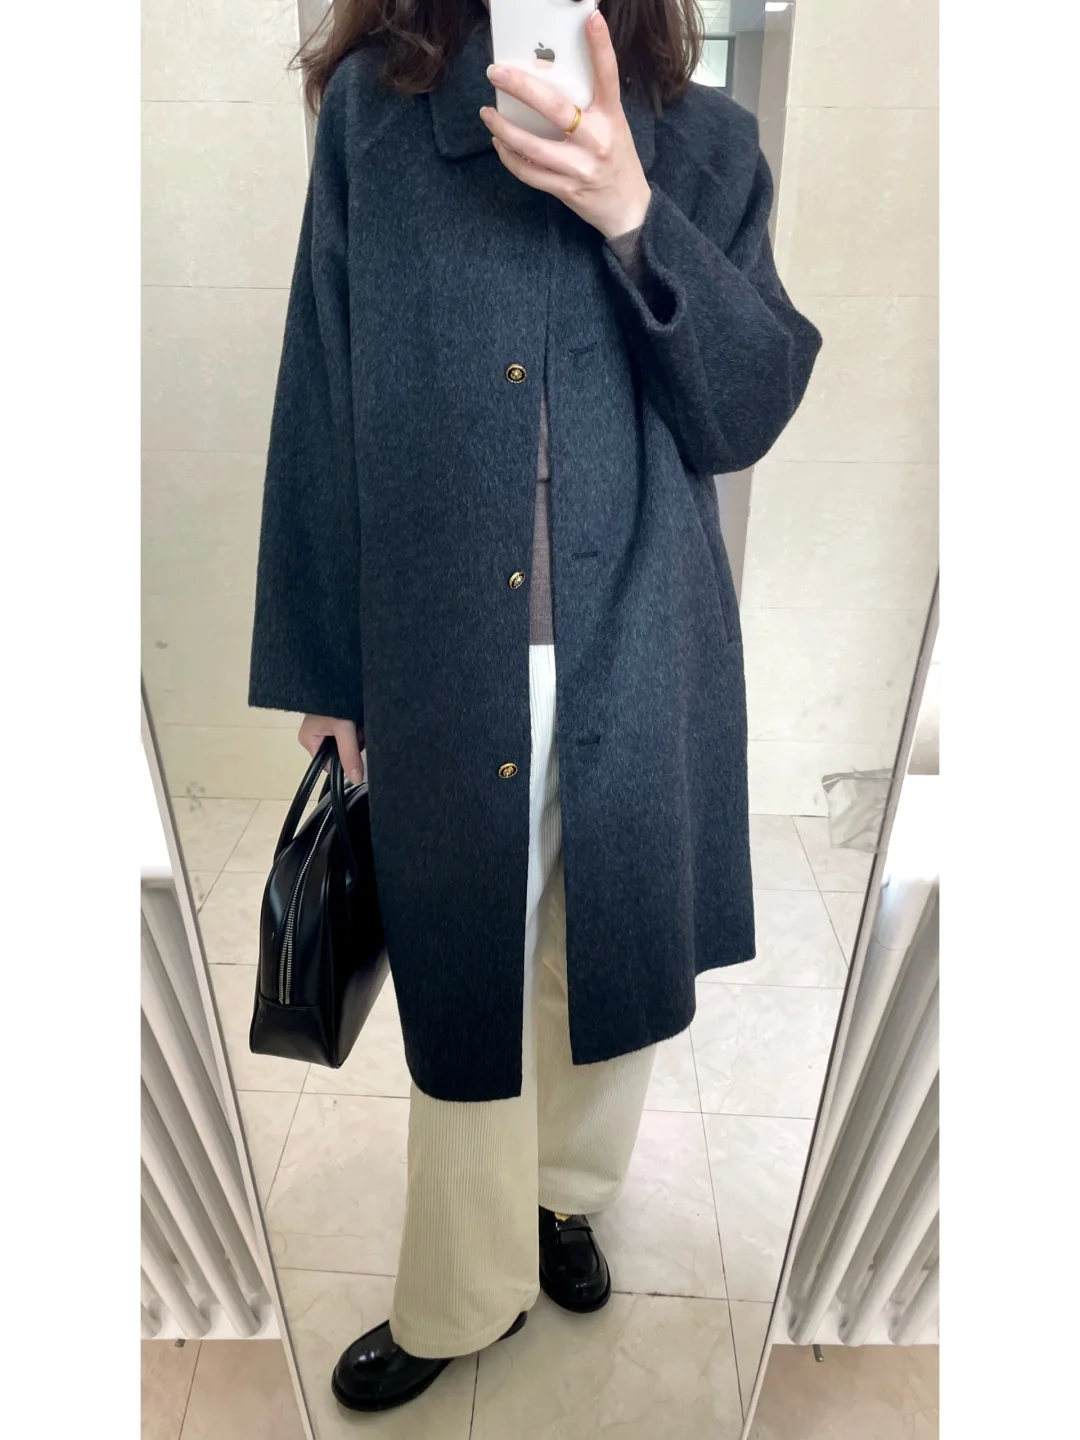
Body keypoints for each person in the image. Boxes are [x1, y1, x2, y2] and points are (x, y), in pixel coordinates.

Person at [248, 0, 821, 1412]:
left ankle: (566, 1198)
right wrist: (322, 662)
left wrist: (632, 212)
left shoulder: (708, 147)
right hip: (439, 653)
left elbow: (747, 410)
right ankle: (460, 1296)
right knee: (468, 977)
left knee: (607, 951)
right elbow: (321, 386)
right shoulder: (378, 122)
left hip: (643, 641)